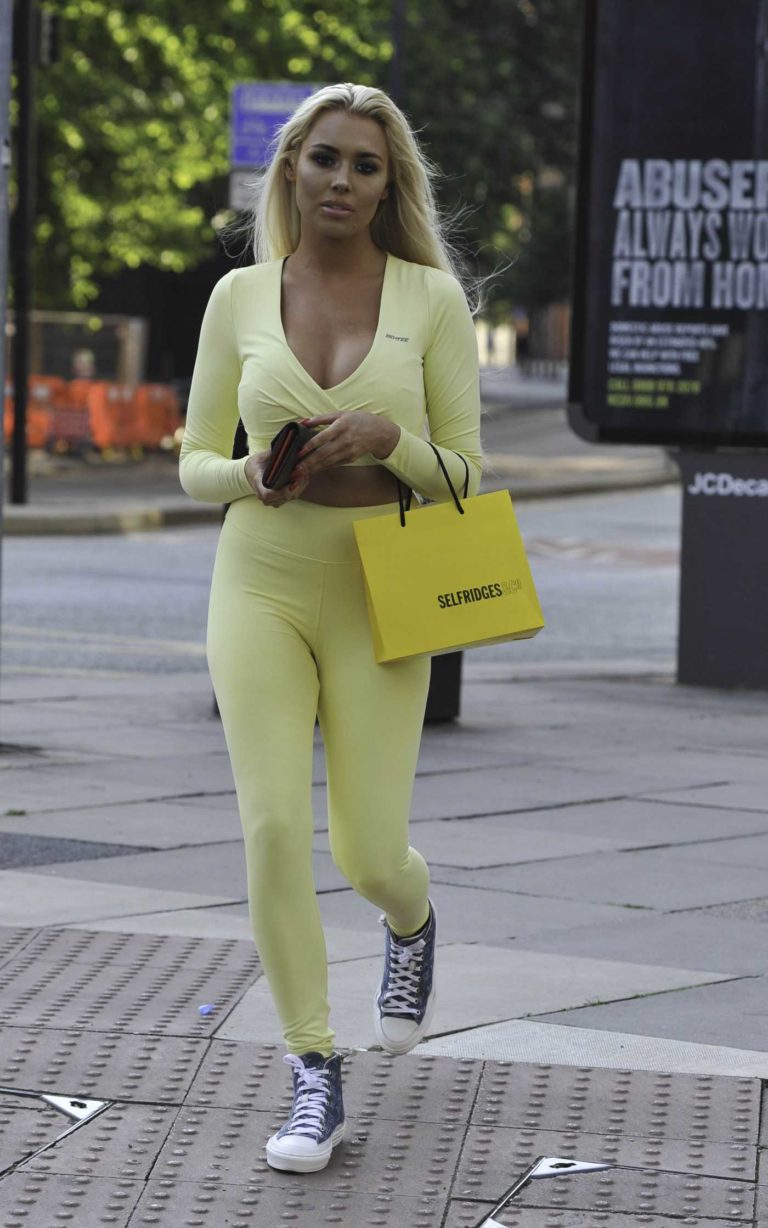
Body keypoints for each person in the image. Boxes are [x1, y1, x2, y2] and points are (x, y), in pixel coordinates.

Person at [179, 81, 482, 1174]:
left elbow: (464, 473)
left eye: (366, 165)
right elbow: (192, 456)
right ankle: (315, 1067)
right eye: (324, 159)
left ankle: (413, 919)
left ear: (389, 182)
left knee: (363, 850)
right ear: (290, 170)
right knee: (269, 830)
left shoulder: (431, 301)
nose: (342, 181)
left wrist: (390, 437)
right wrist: (246, 470)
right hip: (258, 576)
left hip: (382, 585)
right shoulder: (239, 297)